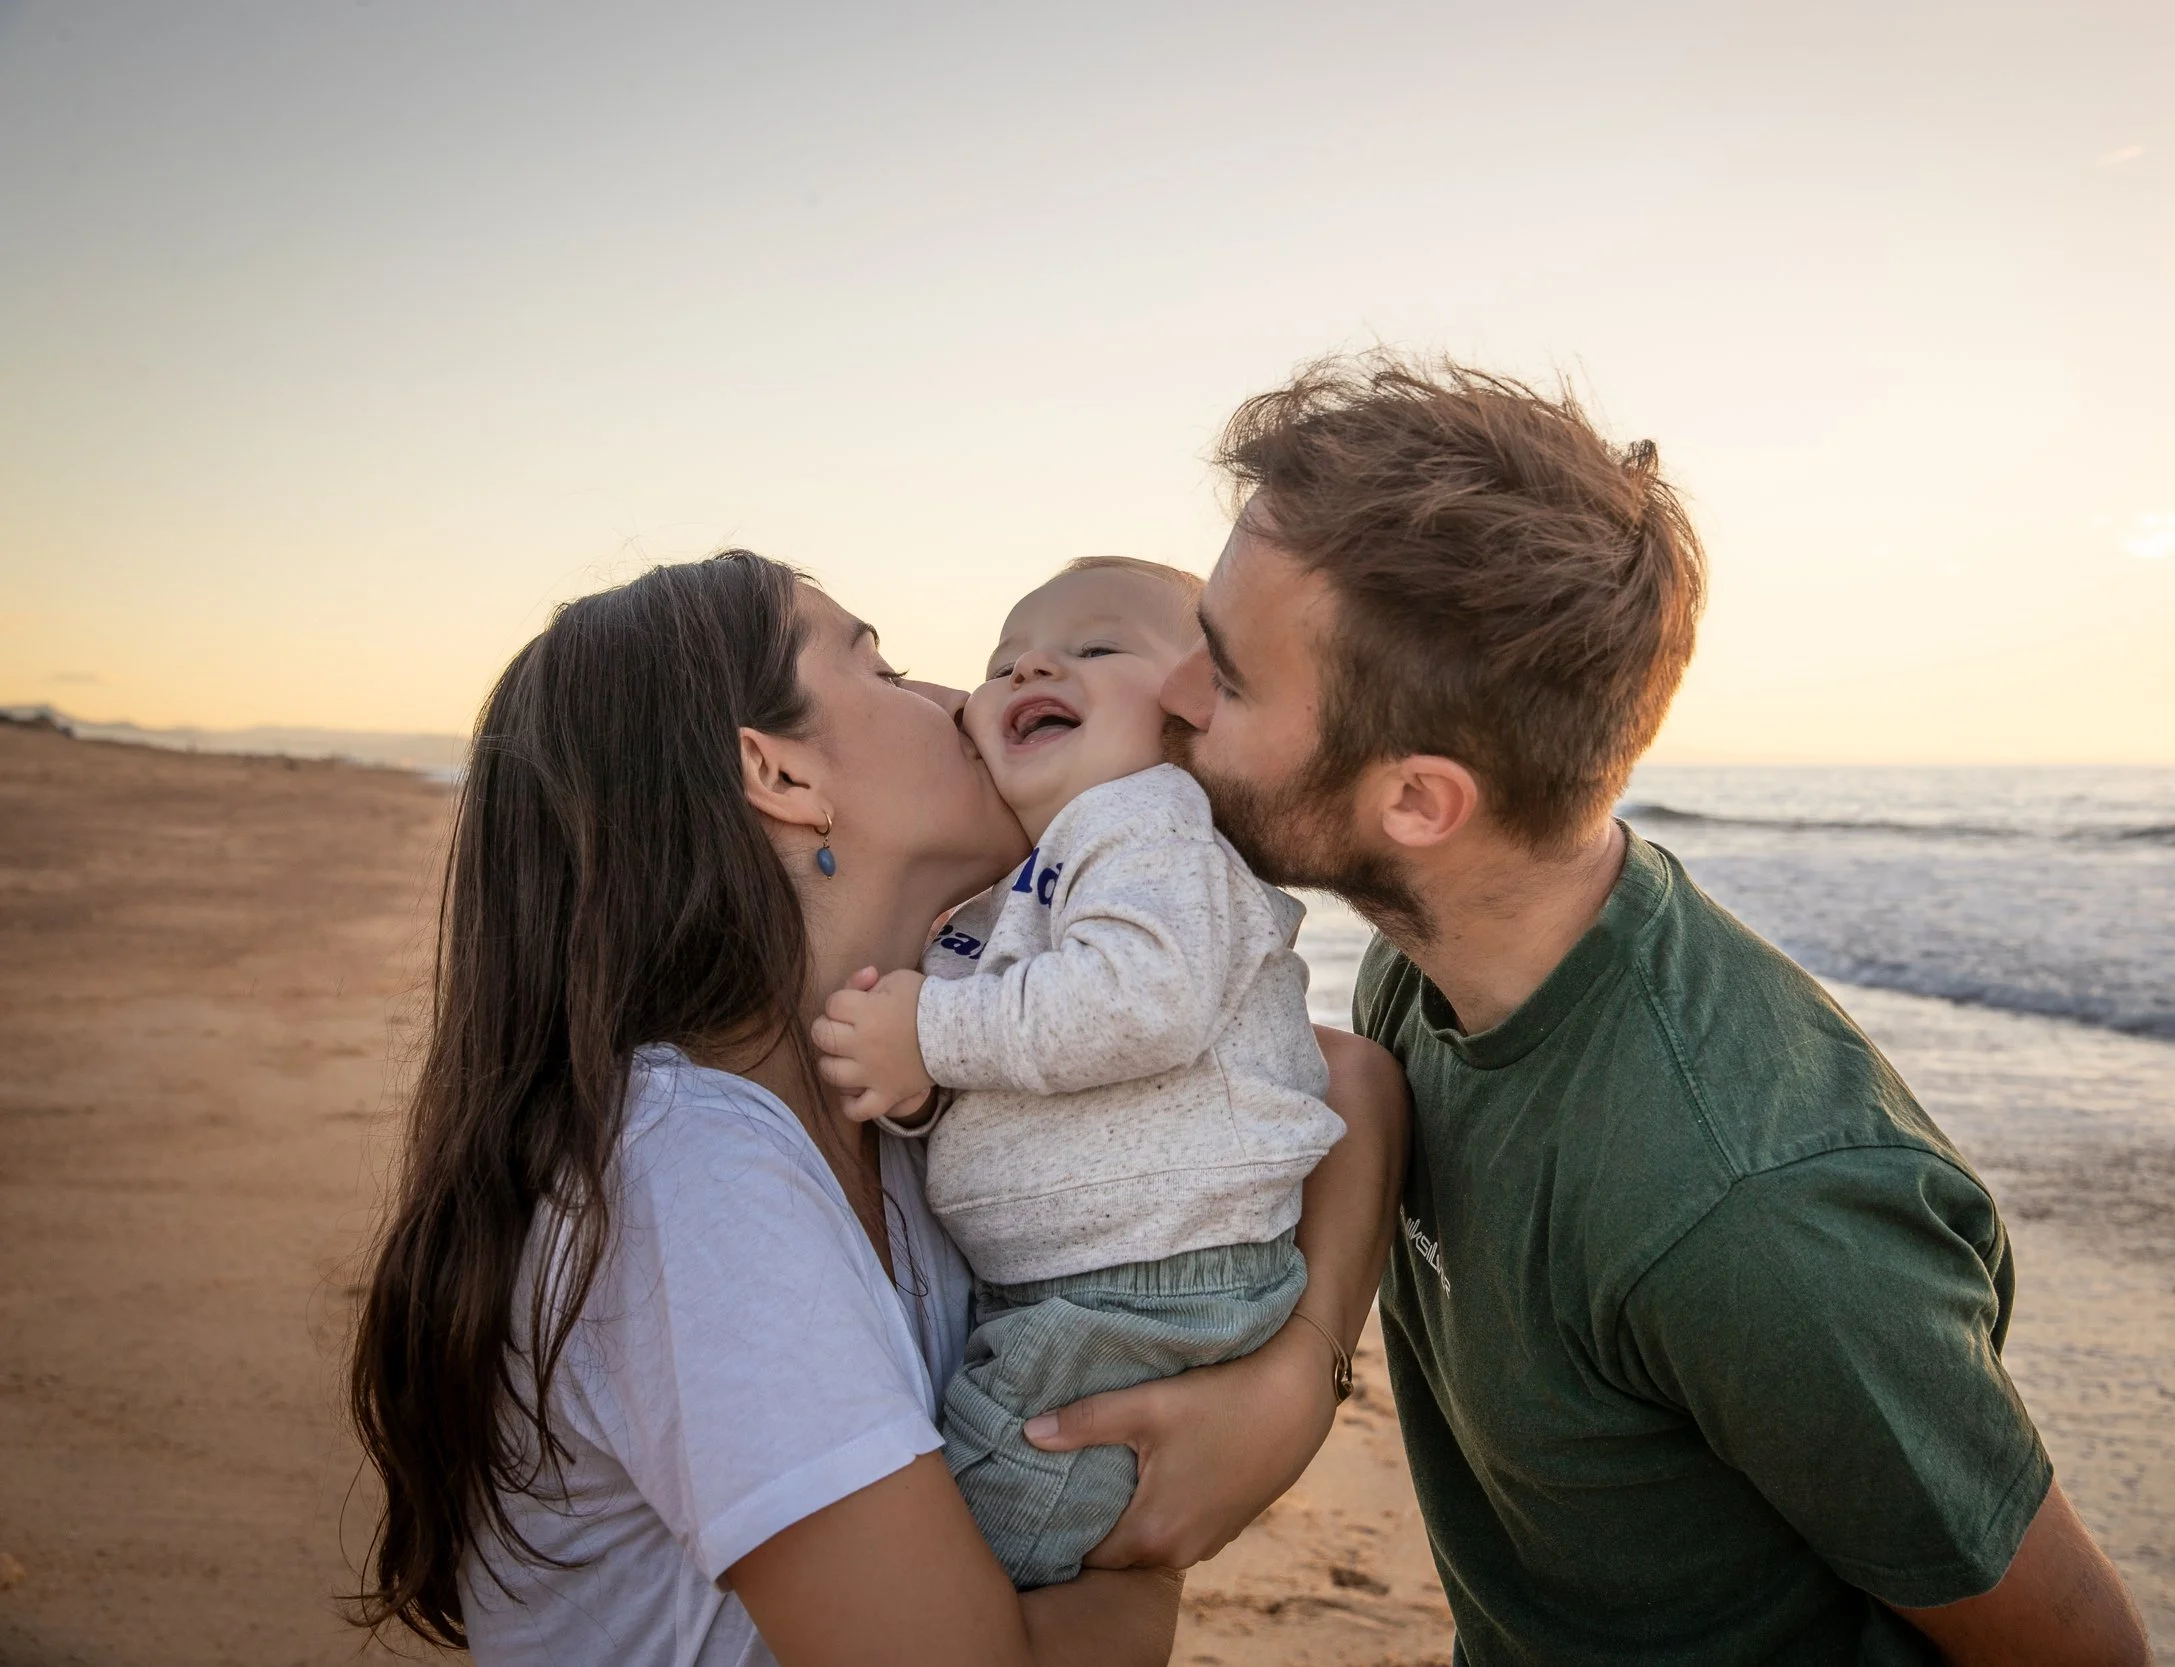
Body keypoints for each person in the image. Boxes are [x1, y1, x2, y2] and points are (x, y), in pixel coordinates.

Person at [1157, 354, 2152, 1667]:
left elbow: (2082, 1647)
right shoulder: (1425, 957)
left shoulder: (1750, 1211)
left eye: (1227, 679)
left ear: (1419, 802)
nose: (1170, 692)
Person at [347, 551, 1406, 1667]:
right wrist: (1134, 1542)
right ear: (780, 774)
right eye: (885, 667)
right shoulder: (695, 1185)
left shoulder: (896, 1076)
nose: (962, 698)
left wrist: (1296, 1377)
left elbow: (1345, 1074)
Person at [814, 555, 1346, 1589]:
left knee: (988, 1528)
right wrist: (925, 1092)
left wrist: (930, 1035)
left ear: (1194, 701)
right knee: (994, 1504)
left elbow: (1141, 998)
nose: (1031, 667)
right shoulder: (1031, 870)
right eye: (1002, 661)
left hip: (1155, 1272)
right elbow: (1017, 1054)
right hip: (1087, 1275)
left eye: (1095, 647)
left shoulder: (1145, 820)